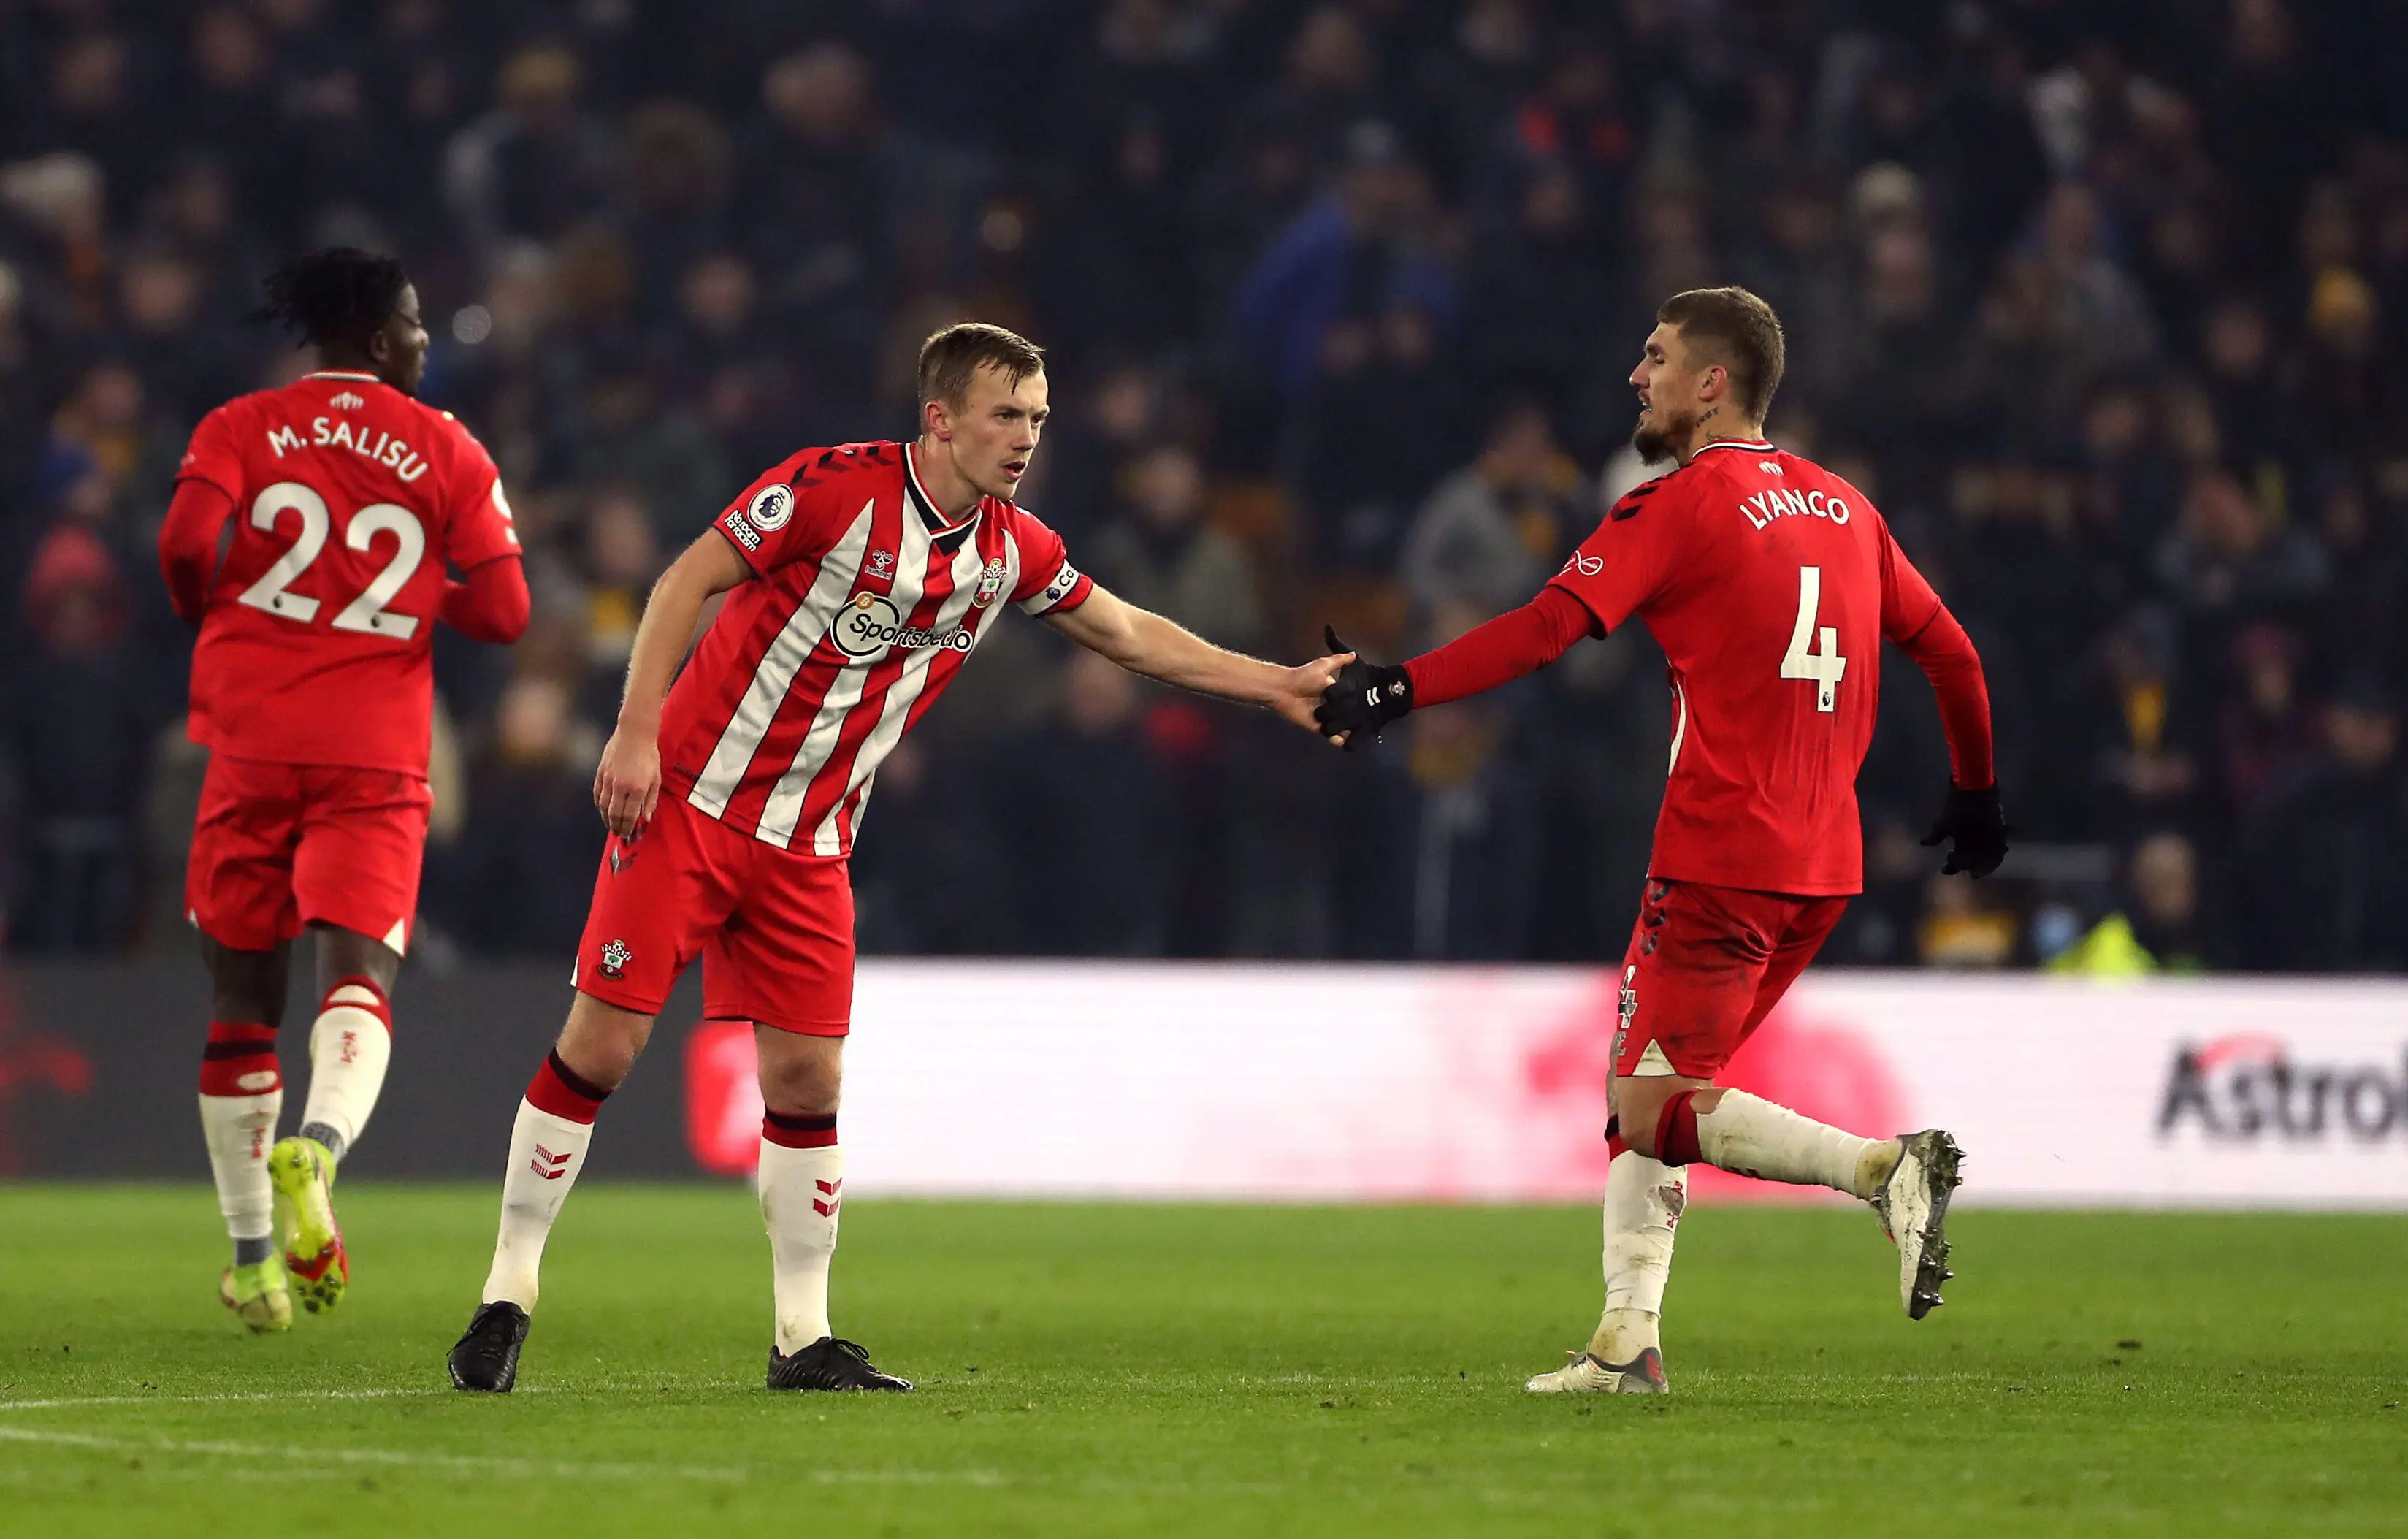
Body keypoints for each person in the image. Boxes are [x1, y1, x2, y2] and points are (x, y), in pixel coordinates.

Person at [446, 323, 1342, 1395]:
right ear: (940, 417)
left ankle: (801, 1335)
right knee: (604, 1047)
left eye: (1040, 419)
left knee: (808, 1075)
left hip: (813, 841)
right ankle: (506, 1297)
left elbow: (1132, 633)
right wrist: (635, 730)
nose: (1026, 438)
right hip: (691, 801)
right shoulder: (831, 491)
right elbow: (683, 579)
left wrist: (1278, 682)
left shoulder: (1011, 548)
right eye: (1007, 414)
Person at [1316, 287, 2005, 1393]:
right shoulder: (1849, 510)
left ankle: (1884, 1167)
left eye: (1655, 356)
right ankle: (1626, 1340)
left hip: (1721, 851)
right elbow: (1956, 656)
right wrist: (1974, 797)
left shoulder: (1678, 504)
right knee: (1657, 1079)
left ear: (1712, 382)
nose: (1637, 376)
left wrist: (1400, 687)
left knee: (1655, 1104)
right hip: (1822, 866)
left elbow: (1549, 626)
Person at [158, 248, 531, 1332]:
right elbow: (504, 613)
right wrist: (419, 596)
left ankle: (251, 1263)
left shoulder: (241, 425)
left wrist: (217, 607)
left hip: (252, 737)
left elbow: (185, 542)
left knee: (240, 1001)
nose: (425, 341)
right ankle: (315, 1152)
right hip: (373, 747)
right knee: (357, 974)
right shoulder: (447, 446)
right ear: (378, 340)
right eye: (415, 326)